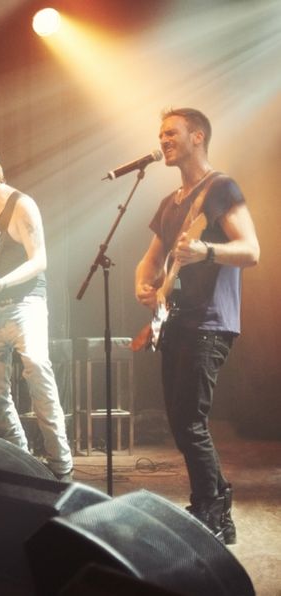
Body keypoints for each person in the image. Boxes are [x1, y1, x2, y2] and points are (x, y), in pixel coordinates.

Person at [134, 108, 259, 544]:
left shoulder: (220, 188)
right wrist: (143, 285)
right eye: (161, 133)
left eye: (171, 133)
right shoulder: (170, 202)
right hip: (178, 320)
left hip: (211, 320)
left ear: (198, 137)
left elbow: (251, 249)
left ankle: (214, 510)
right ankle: (213, 509)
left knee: (191, 420)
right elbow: (151, 258)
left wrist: (206, 251)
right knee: (180, 420)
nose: (163, 139)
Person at [0, 146, 73, 481]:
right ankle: (21, 459)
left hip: (26, 304)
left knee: (37, 368)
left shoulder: (22, 205)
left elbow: (40, 260)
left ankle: (61, 465)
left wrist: (2, 284)